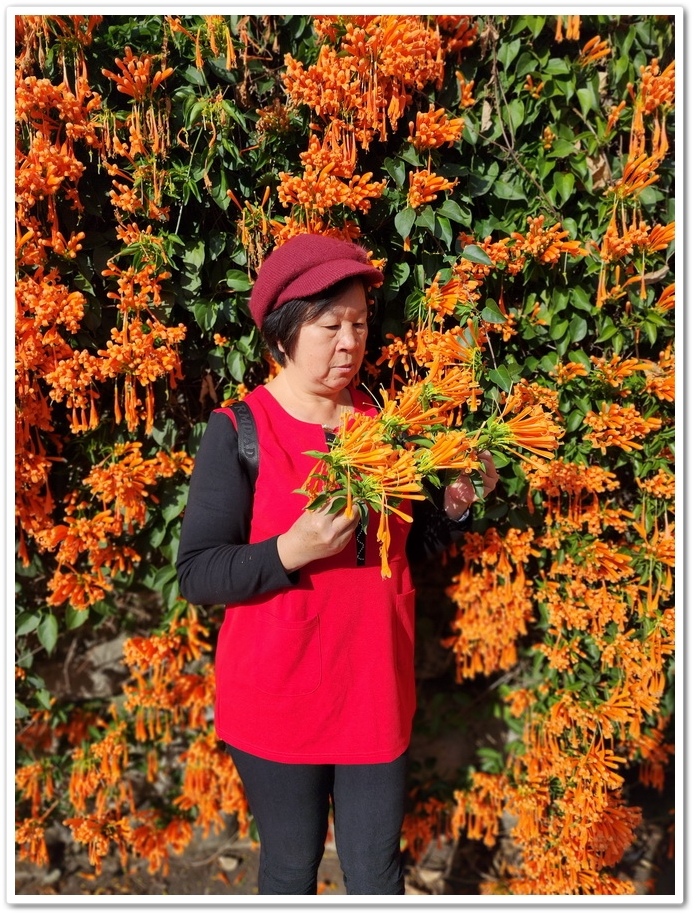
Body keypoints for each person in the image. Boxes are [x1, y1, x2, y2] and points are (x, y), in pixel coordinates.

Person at [176, 233, 499, 895]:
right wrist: (291, 551)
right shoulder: (240, 430)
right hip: (278, 695)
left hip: (374, 688)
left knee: (377, 873)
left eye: (358, 324)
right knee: (291, 870)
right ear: (283, 335)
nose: (350, 343)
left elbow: (399, 551)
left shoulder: (382, 419)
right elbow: (198, 572)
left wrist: (457, 508)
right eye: (330, 327)